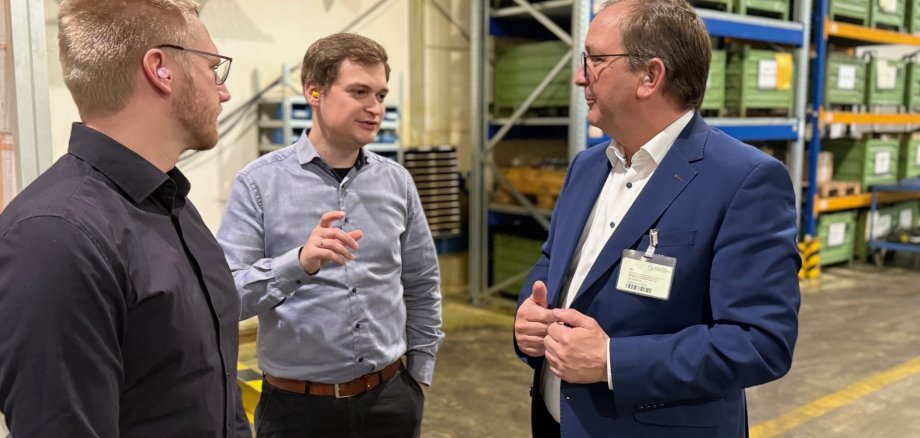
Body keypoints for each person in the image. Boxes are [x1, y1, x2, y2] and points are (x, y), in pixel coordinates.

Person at [512, 1, 801, 436]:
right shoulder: (587, 167)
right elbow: (552, 265)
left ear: (650, 76)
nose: (579, 76)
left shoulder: (744, 180)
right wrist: (530, 316)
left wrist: (612, 361)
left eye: (594, 60)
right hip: (557, 422)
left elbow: (760, 343)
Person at [0, 0, 251, 436]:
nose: (223, 90)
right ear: (161, 68)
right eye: (213, 68)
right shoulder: (55, 236)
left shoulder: (173, 205)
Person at [217, 32, 443, 437]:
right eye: (359, 92)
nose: (375, 108)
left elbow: (422, 283)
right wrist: (298, 263)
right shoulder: (258, 184)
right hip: (296, 412)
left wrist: (419, 377)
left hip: (390, 400)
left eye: (380, 94)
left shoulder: (397, 182)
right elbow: (225, 297)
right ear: (314, 91)